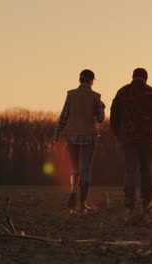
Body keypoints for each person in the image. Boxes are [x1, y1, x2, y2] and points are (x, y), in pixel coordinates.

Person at [110, 68, 152, 217]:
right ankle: (146, 202)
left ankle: (129, 204)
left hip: (127, 138)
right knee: (146, 169)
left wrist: (117, 133)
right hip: (147, 138)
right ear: (146, 78)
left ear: (133, 77)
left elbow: (114, 114)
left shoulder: (122, 92)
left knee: (130, 170)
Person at [54, 69, 105, 213]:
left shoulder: (71, 95)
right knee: (85, 168)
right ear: (91, 81)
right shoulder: (96, 97)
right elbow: (100, 118)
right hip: (89, 136)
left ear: (79, 80)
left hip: (72, 136)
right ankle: (82, 204)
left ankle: (73, 189)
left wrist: (57, 135)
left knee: (74, 167)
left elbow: (63, 116)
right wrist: (101, 106)